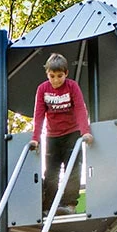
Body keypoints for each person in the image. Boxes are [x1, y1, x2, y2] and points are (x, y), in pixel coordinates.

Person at [28, 53, 93, 215]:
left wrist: (85, 132)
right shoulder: (43, 89)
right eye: (52, 76)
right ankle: (49, 205)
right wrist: (35, 139)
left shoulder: (72, 87)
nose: (56, 80)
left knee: (73, 169)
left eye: (59, 76)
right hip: (52, 135)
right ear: (47, 74)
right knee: (51, 171)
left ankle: (69, 204)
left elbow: (80, 109)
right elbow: (39, 115)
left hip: (72, 133)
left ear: (66, 74)